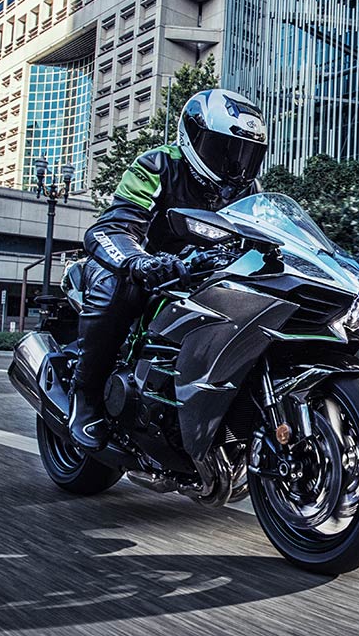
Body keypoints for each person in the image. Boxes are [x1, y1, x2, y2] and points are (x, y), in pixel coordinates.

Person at [68, 88, 268, 451]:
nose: (234, 166)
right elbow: (112, 227)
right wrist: (140, 261)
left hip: (208, 278)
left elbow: (269, 236)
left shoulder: (249, 190)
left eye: (244, 156)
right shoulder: (157, 164)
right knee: (120, 287)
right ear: (192, 137)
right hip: (150, 270)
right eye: (224, 151)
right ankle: (87, 397)